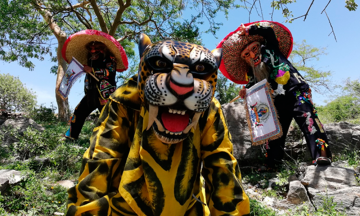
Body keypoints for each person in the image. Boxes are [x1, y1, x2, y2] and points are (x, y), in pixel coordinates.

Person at [66, 34, 250, 216]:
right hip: (124, 203)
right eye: (161, 65)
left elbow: (221, 165)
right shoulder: (123, 100)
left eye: (200, 68)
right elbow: (101, 157)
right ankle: (70, 134)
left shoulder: (209, 108)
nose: (182, 83)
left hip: (188, 206)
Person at [217, 21, 332, 168]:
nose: (252, 54)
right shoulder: (252, 74)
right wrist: (245, 92)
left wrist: (250, 30)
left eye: (254, 48)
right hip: (276, 102)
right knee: (275, 132)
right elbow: (253, 91)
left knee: (309, 120)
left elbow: (269, 32)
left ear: (260, 45)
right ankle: (272, 163)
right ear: (245, 59)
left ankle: (321, 156)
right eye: (247, 54)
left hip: (296, 90)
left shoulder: (270, 47)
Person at [61, 29, 128, 140]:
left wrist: (92, 70)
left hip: (105, 94)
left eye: (96, 48)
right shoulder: (89, 60)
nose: (93, 51)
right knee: (79, 112)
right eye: (91, 49)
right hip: (91, 93)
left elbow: (109, 72)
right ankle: (71, 137)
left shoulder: (110, 59)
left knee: (109, 118)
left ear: (102, 49)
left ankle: (117, 141)